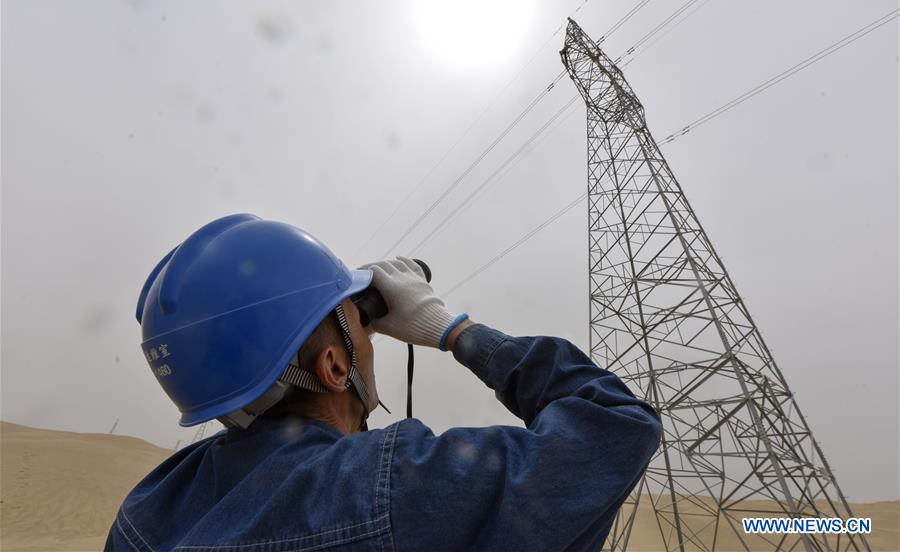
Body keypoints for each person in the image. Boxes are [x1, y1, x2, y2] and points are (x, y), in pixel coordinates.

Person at [105, 214, 661, 551]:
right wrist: (455, 330)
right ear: (334, 368)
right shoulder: (393, 489)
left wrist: (342, 318)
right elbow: (617, 425)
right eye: (360, 322)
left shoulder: (150, 505)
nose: (372, 337)